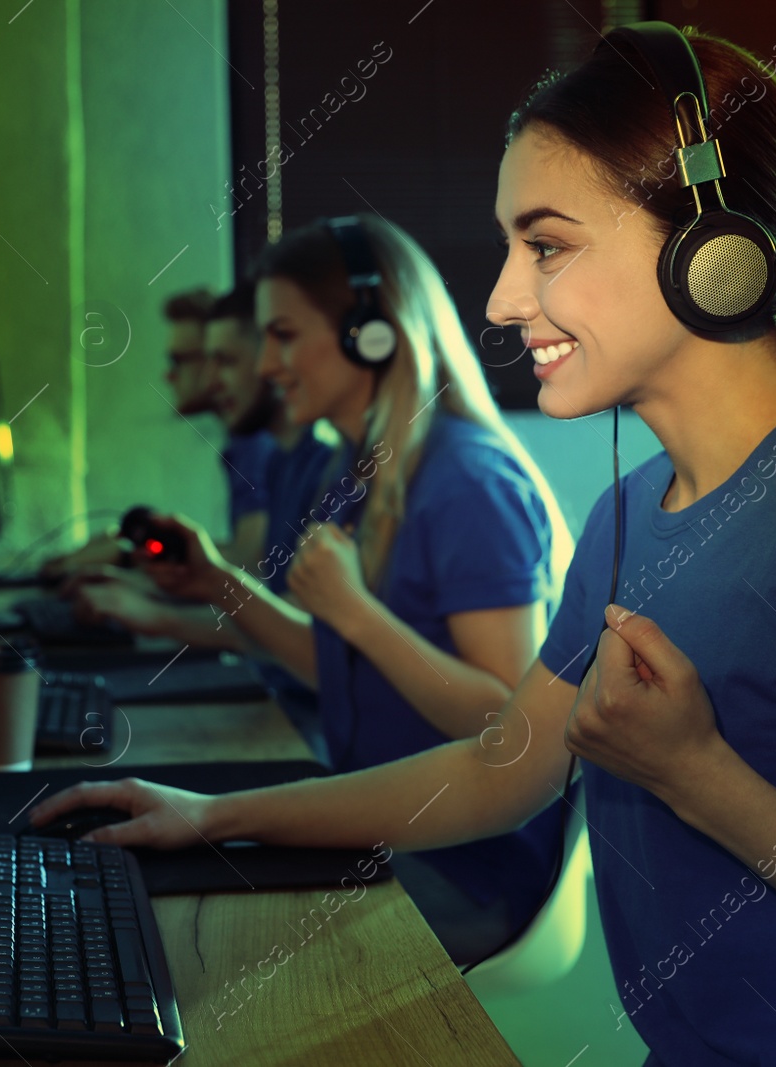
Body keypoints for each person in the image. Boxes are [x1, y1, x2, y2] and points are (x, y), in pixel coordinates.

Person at [32, 24, 776, 1061]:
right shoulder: (628, 513)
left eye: (547, 245)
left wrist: (700, 775)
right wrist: (212, 815)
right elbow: (503, 763)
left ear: (709, 254)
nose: (497, 299)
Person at [65, 213, 572, 967]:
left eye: (283, 335)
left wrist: (358, 615)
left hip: (468, 870)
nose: (265, 364)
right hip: (387, 823)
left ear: (371, 330)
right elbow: (332, 667)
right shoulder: (361, 474)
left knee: (199, 948)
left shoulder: (467, 480)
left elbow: (509, 726)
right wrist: (215, 581)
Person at [73, 283, 339, 741]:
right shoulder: (280, 459)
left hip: (305, 722)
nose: (210, 380)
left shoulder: (300, 461)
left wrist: (157, 608)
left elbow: (258, 574)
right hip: (282, 697)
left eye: (225, 361)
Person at [43, 287, 275, 576]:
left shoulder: (255, 442)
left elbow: (250, 566)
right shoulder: (240, 442)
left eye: (178, 361)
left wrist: (126, 557)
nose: (168, 375)